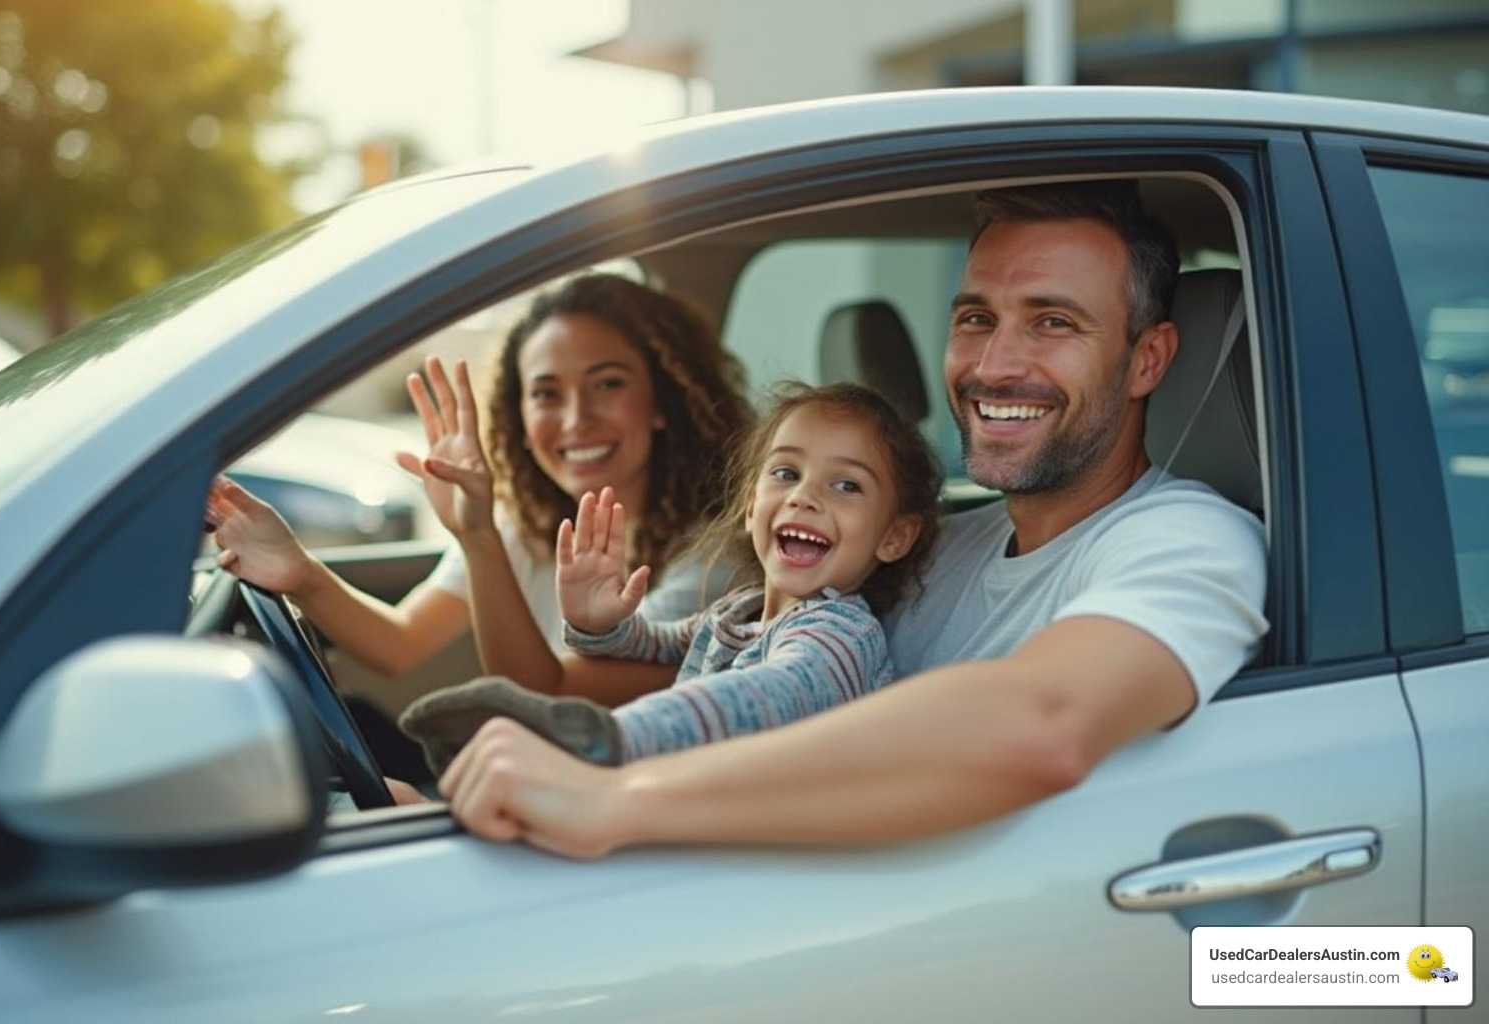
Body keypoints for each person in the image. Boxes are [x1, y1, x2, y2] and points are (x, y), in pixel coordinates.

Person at [401, 181, 1270, 860]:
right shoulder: (937, 543)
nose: (997, 364)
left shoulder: (1189, 541)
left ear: (1148, 358)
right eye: (976, 318)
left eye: (1053, 322)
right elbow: (706, 662)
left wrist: (616, 788)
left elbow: (1040, 727)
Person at [206, 274, 754, 716]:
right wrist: (299, 572)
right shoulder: (529, 524)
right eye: (545, 393)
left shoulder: (715, 564)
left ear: (662, 401)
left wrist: (478, 537)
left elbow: (553, 700)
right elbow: (397, 646)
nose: (575, 419)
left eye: (608, 383)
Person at [396, 382, 942, 773]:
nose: (804, 496)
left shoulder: (839, 636)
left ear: (894, 536)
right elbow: (661, 646)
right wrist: (600, 624)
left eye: (847, 486)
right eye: (785, 473)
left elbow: (758, 698)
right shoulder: (743, 610)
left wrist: (609, 737)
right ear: (752, 506)